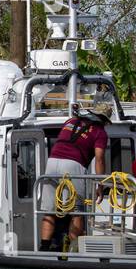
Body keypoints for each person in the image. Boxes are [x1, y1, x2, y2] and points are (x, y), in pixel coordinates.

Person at [40, 101, 110, 252]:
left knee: (49, 210)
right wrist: (100, 184)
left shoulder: (70, 121)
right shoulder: (100, 132)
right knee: (76, 211)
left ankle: (43, 249)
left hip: (52, 162)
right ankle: (73, 249)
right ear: (104, 120)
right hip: (73, 165)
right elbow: (99, 158)